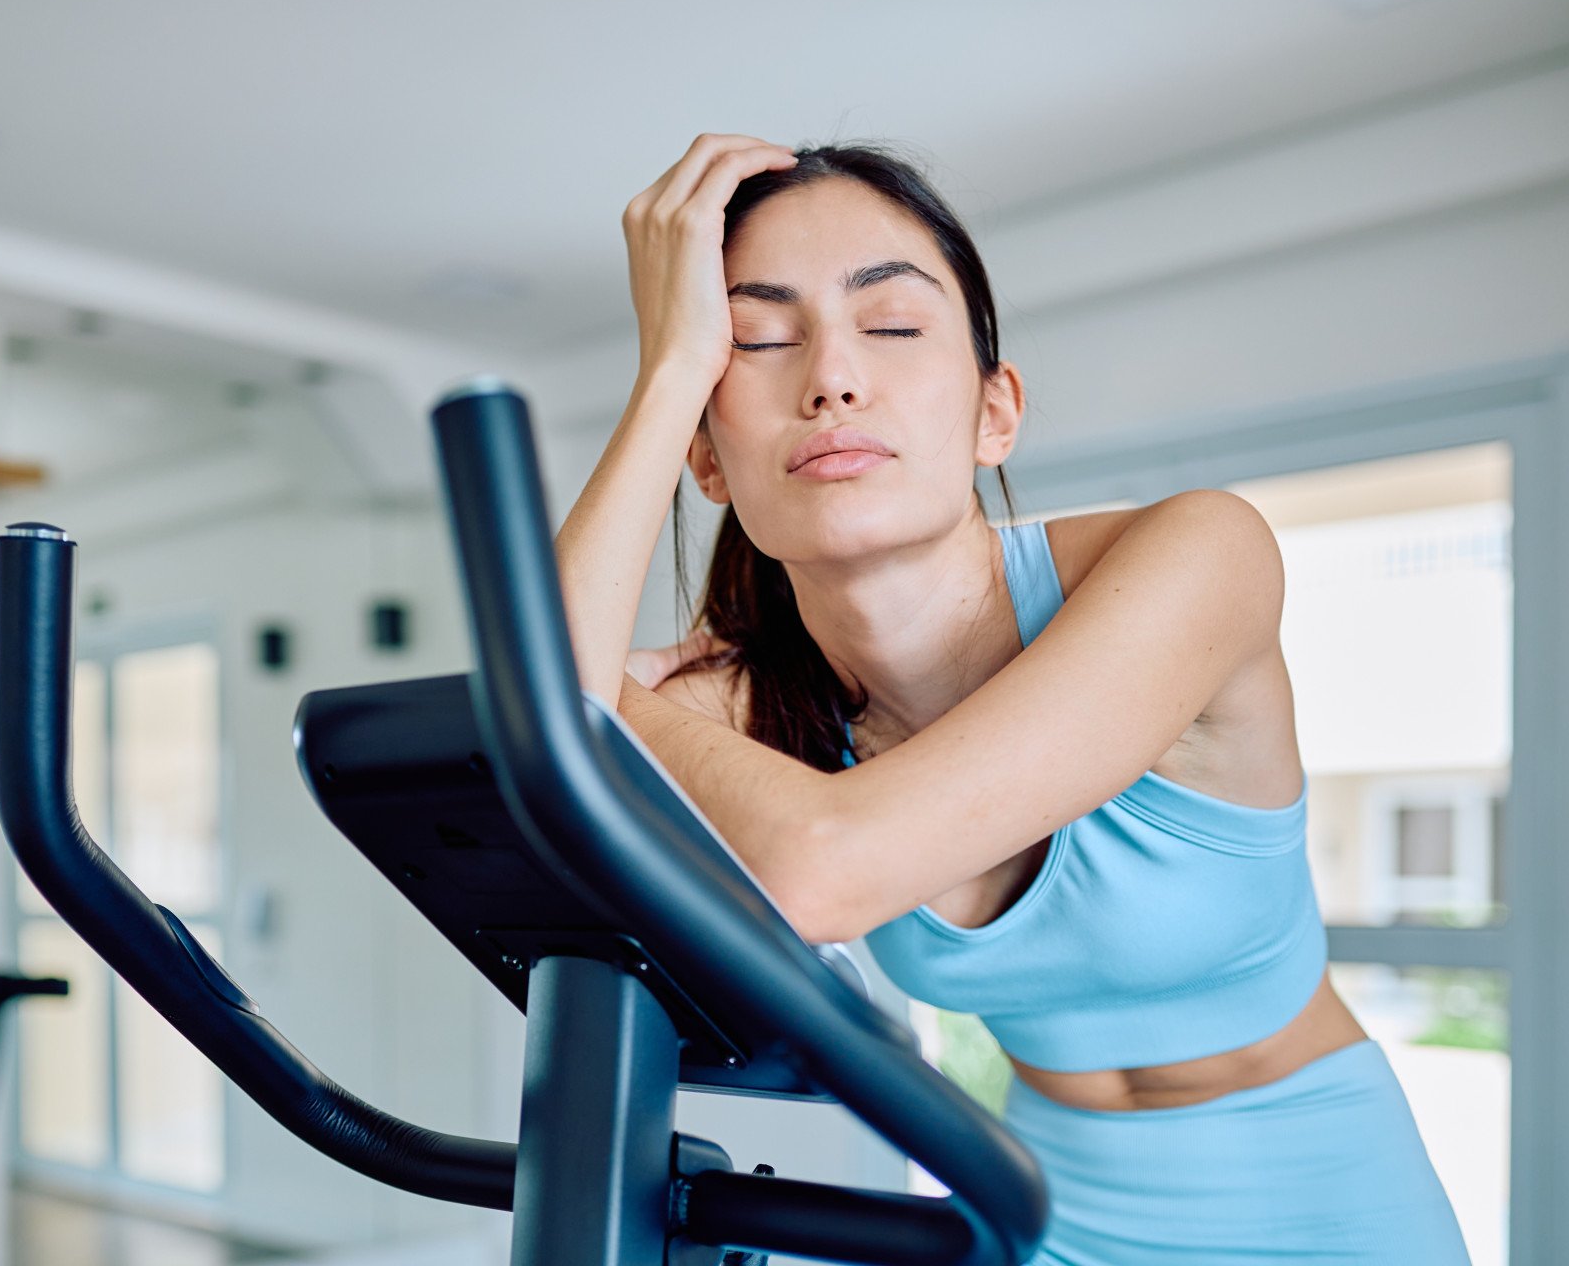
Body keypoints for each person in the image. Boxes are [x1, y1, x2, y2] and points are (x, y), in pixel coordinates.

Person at [554, 133, 1469, 1264]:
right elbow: (532, 707)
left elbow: (818, 864)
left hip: (1317, 1198)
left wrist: (599, 699)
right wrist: (664, 371)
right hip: (1044, 1203)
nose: (834, 378)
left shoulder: (1199, 553)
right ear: (707, 456)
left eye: (890, 327)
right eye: (754, 340)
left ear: (997, 412)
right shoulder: (768, 700)